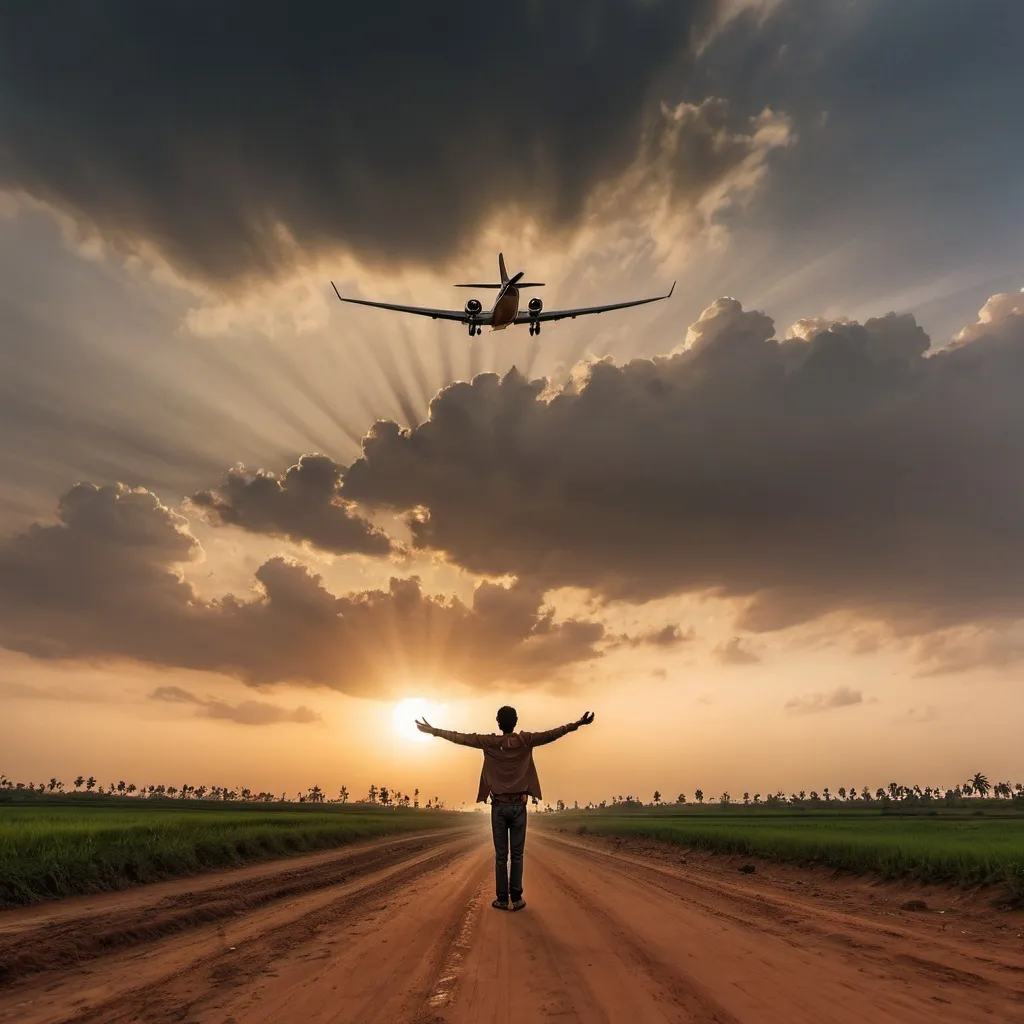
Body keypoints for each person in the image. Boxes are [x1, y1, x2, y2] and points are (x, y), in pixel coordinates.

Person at [416, 707, 595, 911]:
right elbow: (554, 733)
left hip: (499, 806)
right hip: (519, 806)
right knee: (517, 854)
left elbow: (461, 738)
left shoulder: (489, 742)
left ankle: (502, 899)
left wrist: (434, 731)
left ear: (498, 722)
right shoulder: (527, 740)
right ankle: (517, 898)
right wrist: (578, 724)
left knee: (501, 855)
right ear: (516, 721)